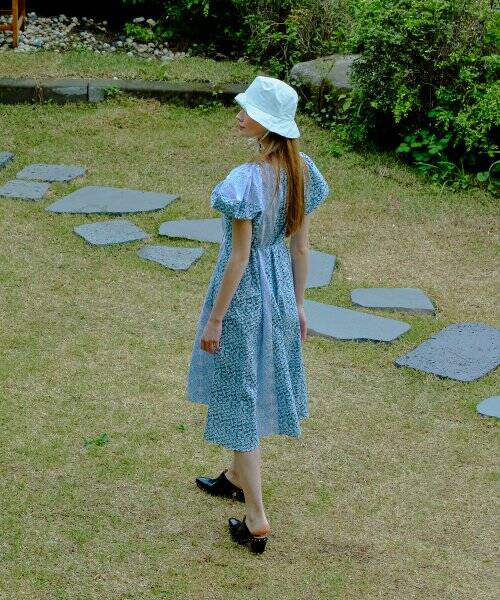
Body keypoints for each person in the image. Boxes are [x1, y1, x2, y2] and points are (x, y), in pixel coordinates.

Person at [186, 75, 330, 554]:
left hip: (245, 297)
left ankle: (256, 518)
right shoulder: (302, 170)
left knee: (239, 396)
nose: (239, 114)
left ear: (266, 124)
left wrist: (215, 319)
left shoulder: (244, 181)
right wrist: (299, 304)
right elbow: (301, 247)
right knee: (247, 384)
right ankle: (234, 476)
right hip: (280, 291)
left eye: (247, 110)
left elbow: (240, 257)